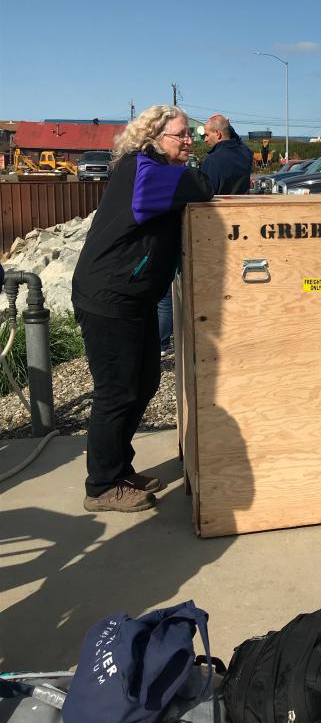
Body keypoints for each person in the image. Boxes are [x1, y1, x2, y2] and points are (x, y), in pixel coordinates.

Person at [72, 105, 213, 513]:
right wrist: (193, 173)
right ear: (152, 139)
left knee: (146, 380)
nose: (190, 141)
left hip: (133, 296)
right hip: (110, 296)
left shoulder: (152, 169)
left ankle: (118, 469)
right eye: (180, 135)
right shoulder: (144, 171)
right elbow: (200, 183)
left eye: (191, 135)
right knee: (117, 391)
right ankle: (100, 487)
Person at [201, 114, 253, 194]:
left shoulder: (212, 161)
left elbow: (205, 195)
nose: (205, 139)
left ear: (218, 134)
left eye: (207, 135)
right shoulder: (246, 154)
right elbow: (239, 141)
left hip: (220, 206)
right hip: (243, 205)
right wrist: (228, 127)